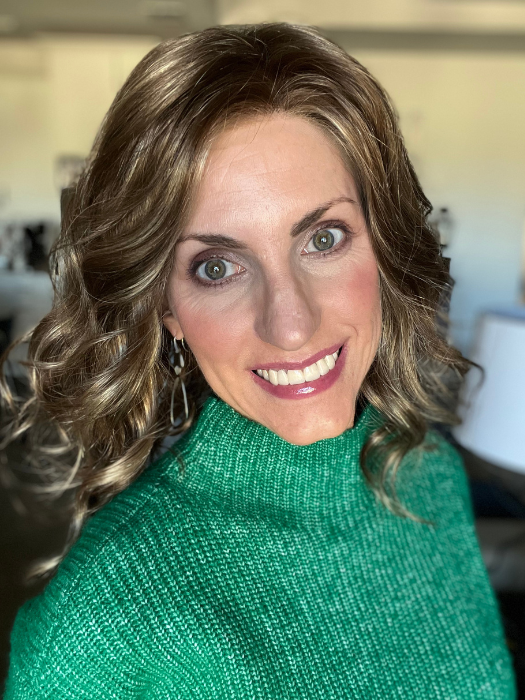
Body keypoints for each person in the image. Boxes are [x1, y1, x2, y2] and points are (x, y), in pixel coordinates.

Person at [1, 22, 516, 699]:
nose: (291, 326)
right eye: (216, 266)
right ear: (164, 306)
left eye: (323, 238)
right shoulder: (103, 619)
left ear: (383, 248)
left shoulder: (430, 478)